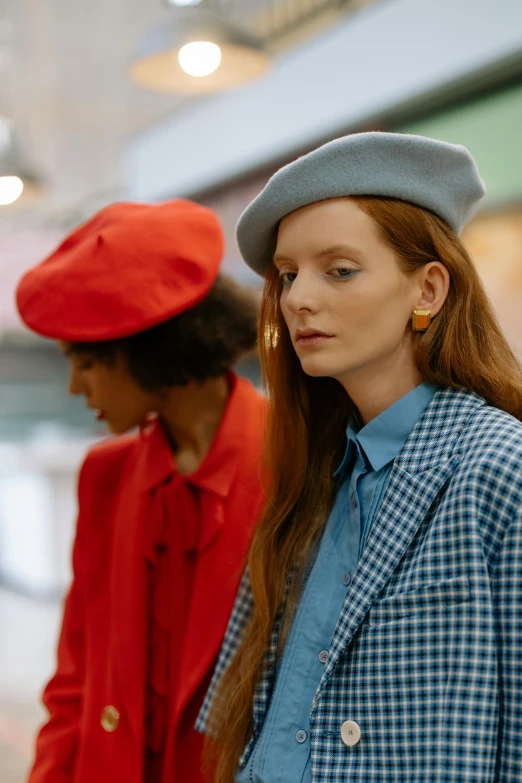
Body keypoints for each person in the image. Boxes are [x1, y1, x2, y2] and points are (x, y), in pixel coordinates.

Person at [196, 133, 522, 783]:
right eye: (288, 275)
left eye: (339, 270)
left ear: (428, 289)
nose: (297, 299)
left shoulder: (499, 469)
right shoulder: (308, 478)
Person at [15, 199, 266, 783]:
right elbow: (75, 683)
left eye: (85, 361)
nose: (75, 386)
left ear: (149, 347)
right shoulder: (106, 475)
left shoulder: (301, 465)